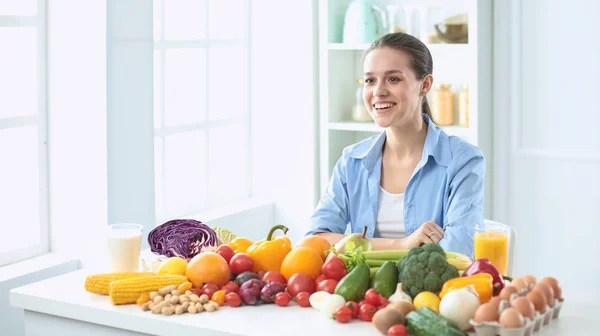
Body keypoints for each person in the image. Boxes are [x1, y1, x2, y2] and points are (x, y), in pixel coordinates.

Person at [306, 32, 485, 258]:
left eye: (393, 79)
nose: (378, 91)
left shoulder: (463, 161)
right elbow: (315, 240)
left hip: (433, 294)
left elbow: (458, 252)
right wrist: (402, 244)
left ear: (425, 84)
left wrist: (356, 245)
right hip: (363, 293)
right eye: (370, 80)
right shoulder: (352, 161)